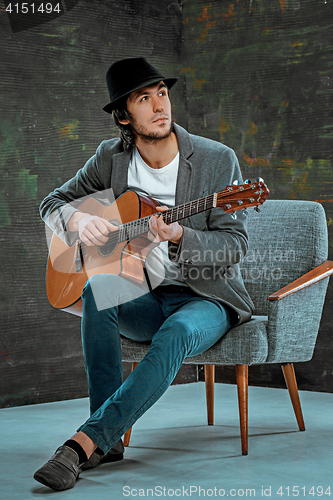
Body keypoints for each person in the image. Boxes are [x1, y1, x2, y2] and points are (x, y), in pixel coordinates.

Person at [34, 57, 254, 491]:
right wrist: (78, 222)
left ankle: (85, 442)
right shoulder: (110, 158)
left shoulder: (216, 160)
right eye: (143, 98)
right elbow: (52, 203)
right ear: (123, 115)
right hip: (144, 294)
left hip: (206, 297)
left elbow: (235, 247)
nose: (159, 106)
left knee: (176, 332)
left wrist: (178, 237)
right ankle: (110, 441)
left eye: (162, 93)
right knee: (97, 289)